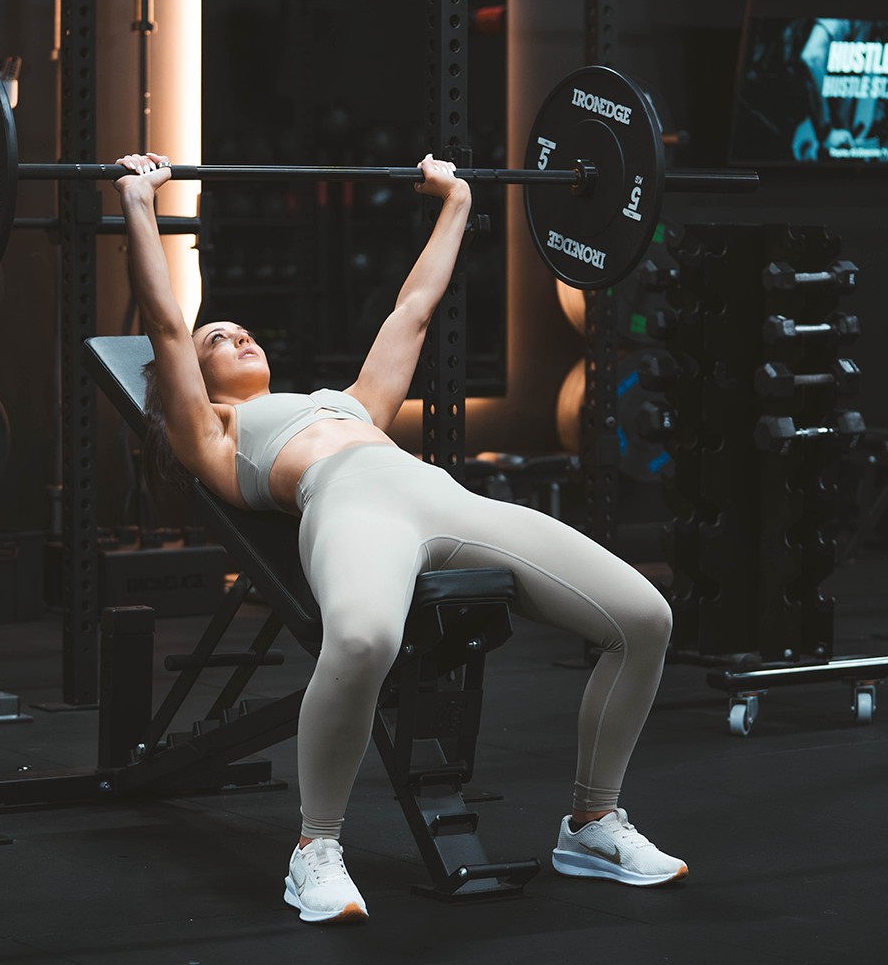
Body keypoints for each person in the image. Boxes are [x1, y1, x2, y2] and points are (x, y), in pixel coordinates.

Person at [113, 151, 687, 925]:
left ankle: (591, 824)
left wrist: (455, 198)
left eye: (240, 328)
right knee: (358, 645)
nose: (237, 333)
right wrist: (138, 201)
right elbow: (160, 323)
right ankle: (315, 850)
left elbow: (413, 307)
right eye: (218, 336)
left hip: (443, 499)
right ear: (188, 379)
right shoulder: (211, 435)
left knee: (644, 618)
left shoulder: (348, 403)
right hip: (350, 511)